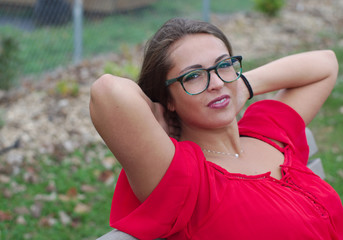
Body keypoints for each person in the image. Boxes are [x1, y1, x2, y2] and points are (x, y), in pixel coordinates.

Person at [90, 18, 343, 239]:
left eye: (223, 65)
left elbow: (325, 63)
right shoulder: (185, 176)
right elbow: (108, 91)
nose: (216, 83)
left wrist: (241, 85)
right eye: (193, 76)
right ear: (168, 98)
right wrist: (157, 108)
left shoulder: (266, 132)